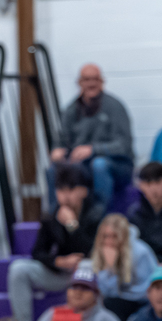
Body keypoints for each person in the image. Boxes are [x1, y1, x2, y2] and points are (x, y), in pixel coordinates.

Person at [7, 165, 103, 321]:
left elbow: (92, 250)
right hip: (60, 272)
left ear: (83, 191)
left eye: (70, 190)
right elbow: (37, 252)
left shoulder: (95, 214)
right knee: (18, 269)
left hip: (85, 273)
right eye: (60, 190)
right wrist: (59, 262)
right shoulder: (52, 215)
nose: (65, 196)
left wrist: (72, 225)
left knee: (87, 266)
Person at [48, 62, 134, 213]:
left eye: (95, 79)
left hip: (117, 166)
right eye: (87, 80)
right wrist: (57, 151)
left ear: (102, 82)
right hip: (82, 166)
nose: (91, 84)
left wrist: (93, 149)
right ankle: (56, 217)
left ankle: (100, 217)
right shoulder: (71, 110)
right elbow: (61, 141)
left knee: (99, 165)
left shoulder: (115, 107)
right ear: (79, 83)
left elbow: (124, 145)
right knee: (52, 170)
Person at [87, 212, 158, 321]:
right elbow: (103, 291)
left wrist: (112, 271)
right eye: (105, 236)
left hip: (141, 303)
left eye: (114, 236)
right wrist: (109, 269)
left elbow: (145, 290)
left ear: (123, 235)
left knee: (111, 304)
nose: (109, 241)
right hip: (115, 301)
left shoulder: (140, 252)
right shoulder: (101, 252)